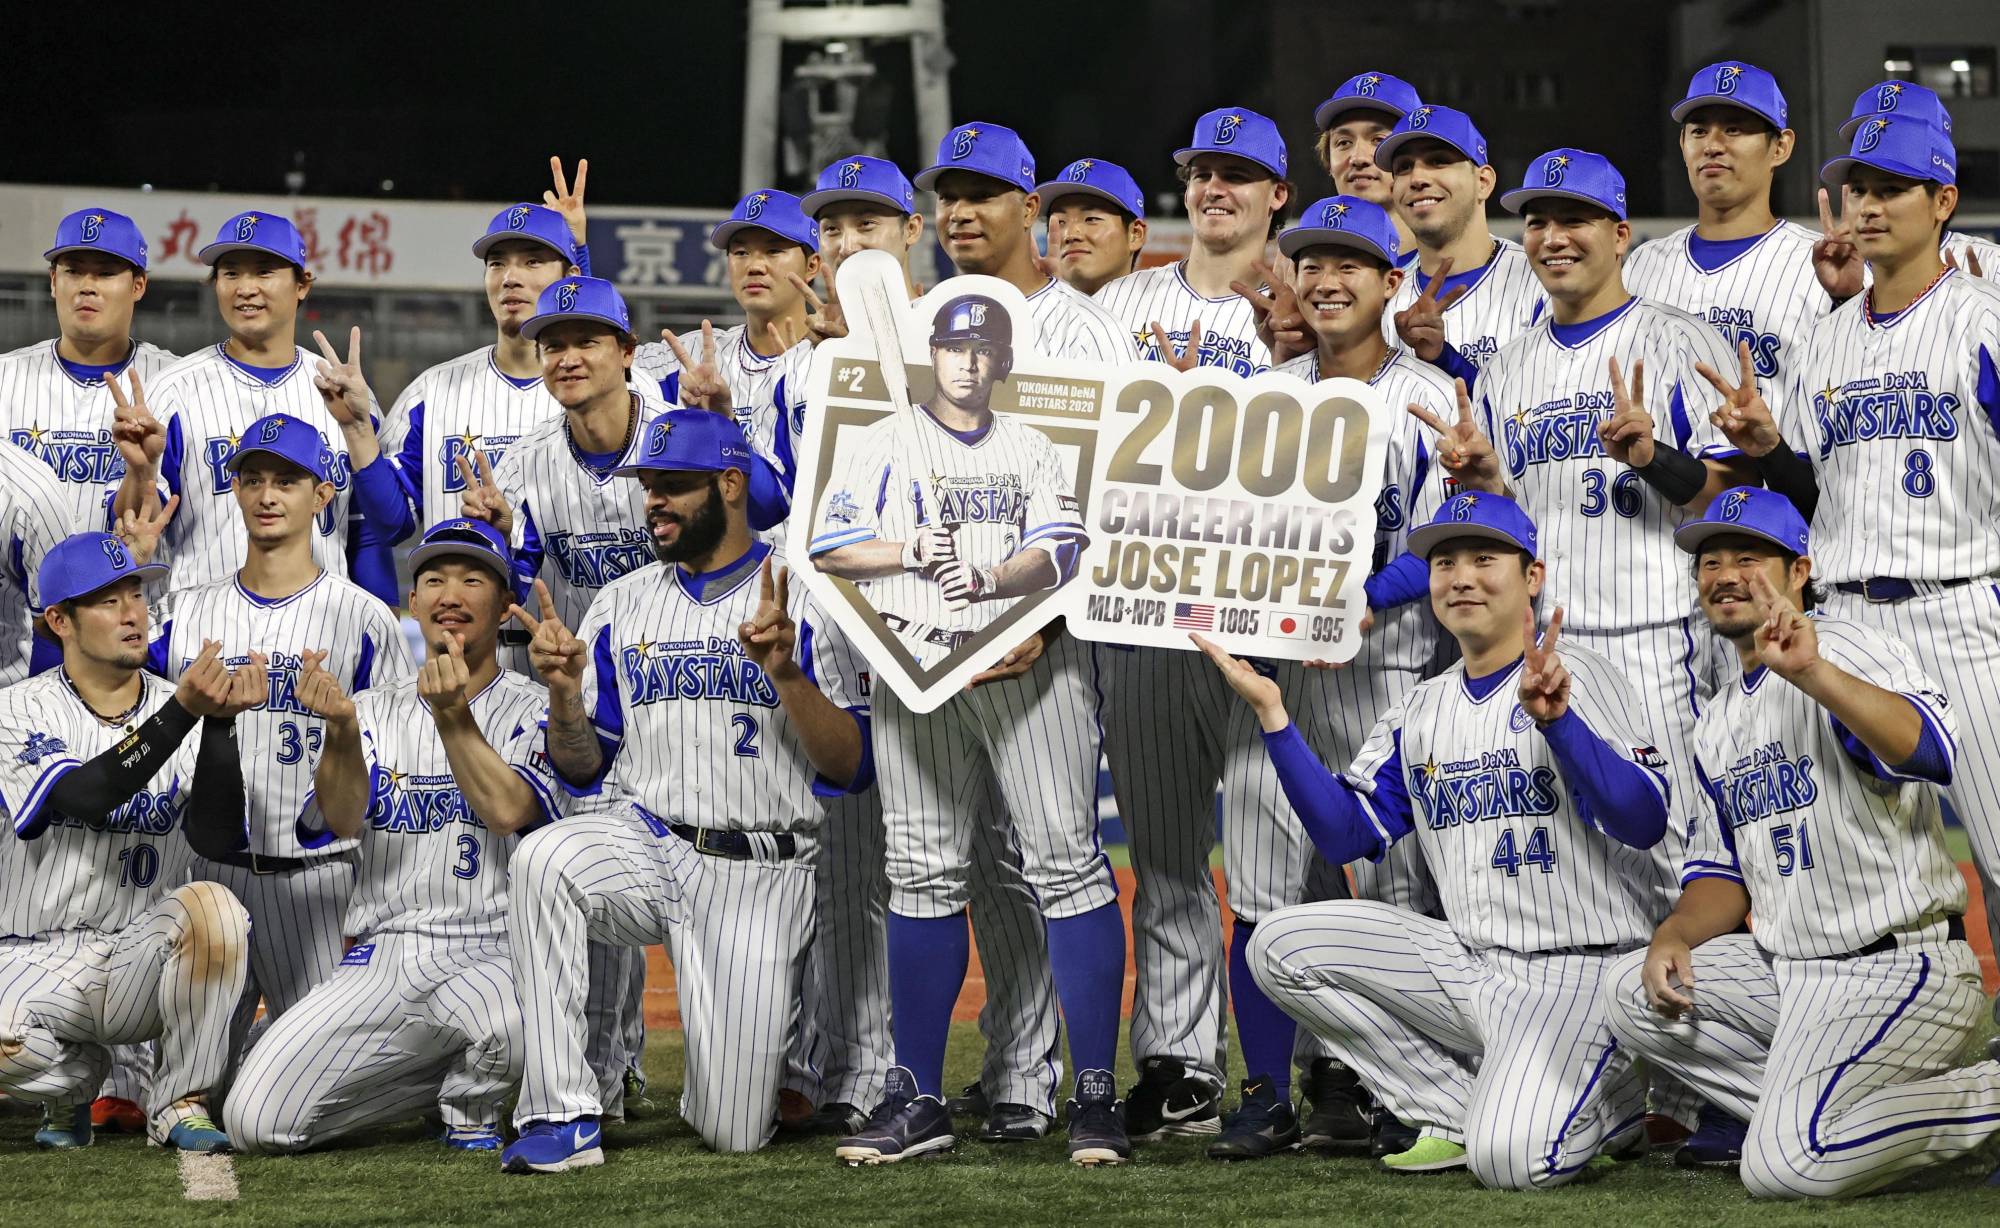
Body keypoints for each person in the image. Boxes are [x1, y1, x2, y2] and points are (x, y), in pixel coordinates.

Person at [1205, 491, 1672, 1186]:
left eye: (1485, 559)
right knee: (1281, 946)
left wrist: (1559, 724)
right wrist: (1274, 717)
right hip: (1471, 963)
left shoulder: (1582, 677)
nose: (1461, 577)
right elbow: (1344, 837)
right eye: (1444, 561)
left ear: (1532, 577)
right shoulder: (1421, 706)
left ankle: (1604, 1100)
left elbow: (1643, 820)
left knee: (1515, 1165)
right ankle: (1456, 1111)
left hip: (1580, 969)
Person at [500, 410, 873, 1170]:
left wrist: (787, 673)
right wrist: (566, 696)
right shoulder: (622, 600)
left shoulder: (806, 592)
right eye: (649, 486)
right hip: (646, 841)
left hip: (758, 871)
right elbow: (581, 767)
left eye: (674, 485)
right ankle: (562, 1114)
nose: (654, 502)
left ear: (730, 485)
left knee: (732, 1129)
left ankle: (771, 1055)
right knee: (544, 860)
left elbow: (850, 765)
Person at [1602, 486, 2000, 1197]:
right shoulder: (1719, 718)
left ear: (1800, 571)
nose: (1724, 573)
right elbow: (1722, 877)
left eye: (1749, 556)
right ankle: (1827, 1113)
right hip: (1793, 977)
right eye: (1710, 561)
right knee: (1632, 993)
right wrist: (1674, 935)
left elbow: (1930, 752)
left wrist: (1815, 673)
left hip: (1898, 968)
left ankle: (1986, 1097)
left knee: (1787, 1167)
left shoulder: (1848, 648)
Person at [785, 152, 1062, 1143]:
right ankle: (883, 1075)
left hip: (977, 638)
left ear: (910, 231)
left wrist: (1024, 611)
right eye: (831, 226)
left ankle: (1024, 1072)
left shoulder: (965, 333)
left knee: (1003, 864)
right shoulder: (814, 364)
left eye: (867, 222)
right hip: (862, 637)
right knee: (891, 870)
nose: (846, 240)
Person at [1412, 148, 1749, 944]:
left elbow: (1731, 501)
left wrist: (1652, 459)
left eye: (1575, 219)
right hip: (1546, 653)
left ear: (1620, 232)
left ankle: (1717, 1054)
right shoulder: (1509, 368)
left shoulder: (1678, 342)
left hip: (1657, 642)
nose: (1552, 236)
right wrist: (1487, 478)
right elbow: (1509, 522)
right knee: (1575, 872)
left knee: (1681, 860)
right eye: (1538, 221)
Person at [1702, 116, 2000, 990]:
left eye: (1892, 189)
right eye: (1859, 189)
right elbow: (1818, 488)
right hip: (1846, 619)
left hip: (1963, 606)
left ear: (1943, 202)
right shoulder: (1826, 338)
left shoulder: (1985, 320)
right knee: (1851, 849)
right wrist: (1769, 449)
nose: (1869, 207)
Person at [1193, 196, 1459, 1161]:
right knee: (1262, 895)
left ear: (1394, 284)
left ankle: (1394, 1090)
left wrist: (1353, 603)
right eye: (1312, 263)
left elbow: (1439, 549)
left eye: (1352, 263)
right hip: (1271, 675)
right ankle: (1266, 1094)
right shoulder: (1260, 394)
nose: (1328, 278)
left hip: (1385, 673)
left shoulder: (1429, 399)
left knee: (1393, 897)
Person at [225, 519, 563, 1154]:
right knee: (256, 1123)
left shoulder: (533, 708)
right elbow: (343, 818)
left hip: (495, 950)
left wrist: (454, 718)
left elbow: (508, 811)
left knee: (523, 1025)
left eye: (472, 579)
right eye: (433, 579)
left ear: (503, 603)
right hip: (387, 951)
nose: (450, 594)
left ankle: (470, 1106)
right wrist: (343, 734)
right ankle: (436, 1083)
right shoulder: (374, 706)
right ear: (414, 603)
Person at [145, 414, 414, 1057]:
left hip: (320, 883)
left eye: (288, 481)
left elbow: (398, 763)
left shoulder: (365, 618)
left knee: (311, 1080)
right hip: (207, 877)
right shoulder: (185, 611)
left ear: (322, 495)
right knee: (199, 1088)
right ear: (233, 490)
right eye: (253, 479)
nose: (267, 495)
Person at [0, 532, 261, 1153]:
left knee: (218, 908)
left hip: (139, 958)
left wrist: (218, 725)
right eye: (106, 599)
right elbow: (87, 794)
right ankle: (72, 1087)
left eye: (136, 593)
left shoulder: (185, 706)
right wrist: (184, 716)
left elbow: (217, 837)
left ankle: (179, 1103)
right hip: (33, 959)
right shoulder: (17, 711)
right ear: (58, 621)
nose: (131, 611)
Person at [106, 211, 404, 606]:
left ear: (303, 284)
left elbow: (369, 534)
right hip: (202, 631)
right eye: (230, 274)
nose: (245, 288)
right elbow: (133, 528)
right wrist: (139, 471)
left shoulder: (343, 393)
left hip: (324, 631)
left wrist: (378, 630)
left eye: (264, 272)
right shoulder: (173, 391)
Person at [810, 293, 1085, 664]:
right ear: (933, 354)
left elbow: (1060, 553)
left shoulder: (1032, 444)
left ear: (1004, 362)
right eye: (955, 348)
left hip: (1002, 649)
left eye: (983, 350)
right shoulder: (880, 439)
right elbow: (830, 553)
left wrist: (988, 580)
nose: (969, 364)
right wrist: (910, 552)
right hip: (904, 647)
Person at [0, 209, 178, 526]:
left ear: (138, 286)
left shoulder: (176, 382)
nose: (86, 287)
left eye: (106, 273)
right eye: (73, 272)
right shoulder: (4, 377)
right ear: (54, 282)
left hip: (133, 574)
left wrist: (140, 472)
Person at [1097, 107, 1289, 374]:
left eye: (1235, 176)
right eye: (1202, 175)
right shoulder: (1116, 299)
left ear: (1277, 195)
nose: (1213, 189)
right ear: (1187, 193)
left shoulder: (1292, 321)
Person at [1373, 105, 1545, 382]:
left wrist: (1444, 359)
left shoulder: (1540, 282)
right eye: (1403, 167)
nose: (1417, 178)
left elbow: (1534, 413)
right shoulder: (1383, 298)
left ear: (1484, 182)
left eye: (1438, 161)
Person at [1311, 72, 1421, 250]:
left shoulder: (1462, 266)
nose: (1358, 158)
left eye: (1379, 140)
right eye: (1344, 142)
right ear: (1329, 164)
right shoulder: (1304, 271)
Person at [1039, 158, 1148, 297]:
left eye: (1091, 219)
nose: (1070, 234)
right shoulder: (1031, 313)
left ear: (1135, 234)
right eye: (1060, 222)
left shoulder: (1167, 311)